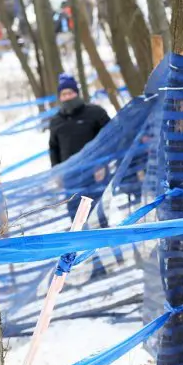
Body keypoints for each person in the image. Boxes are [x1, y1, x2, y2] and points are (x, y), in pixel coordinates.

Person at [49, 73, 119, 272]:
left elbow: (111, 138)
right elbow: (53, 148)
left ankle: (113, 256)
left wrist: (102, 164)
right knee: (77, 222)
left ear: (77, 93)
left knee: (99, 218)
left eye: (70, 92)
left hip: (95, 175)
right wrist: (57, 173)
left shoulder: (95, 113)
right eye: (63, 94)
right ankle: (95, 265)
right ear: (59, 97)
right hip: (71, 179)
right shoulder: (56, 121)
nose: (67, 96)